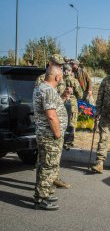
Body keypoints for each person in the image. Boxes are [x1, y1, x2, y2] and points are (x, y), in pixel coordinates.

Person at [33, 55, 69, 210]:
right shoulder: (47, 90)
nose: (62, 76)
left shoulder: (43, 88)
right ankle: (41, 198)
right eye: (60, 73)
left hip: (46, 135)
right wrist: (58, 134)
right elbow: (51, 115)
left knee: (45, 165)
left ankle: (46, 192)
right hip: (50, 135)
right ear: (57, 76)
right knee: (48, 166)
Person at [62, 63, 83, 150]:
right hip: (72, 104)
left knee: (62, 122)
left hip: (62, 103)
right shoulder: (74, 81)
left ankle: (62, 140)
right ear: (70, 71)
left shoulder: (59, 79)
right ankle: (69, 142)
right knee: (72, 123)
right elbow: (80, 94)